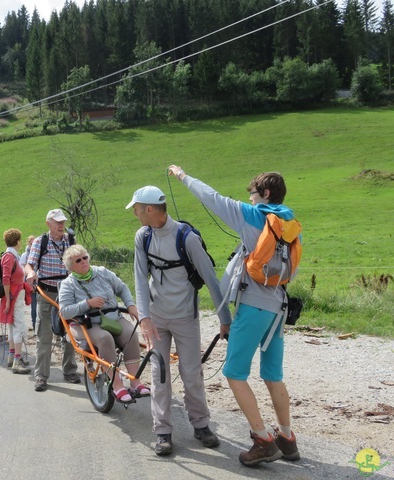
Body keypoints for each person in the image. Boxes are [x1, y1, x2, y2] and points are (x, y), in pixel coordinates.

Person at [168, 164, 301, 466]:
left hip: (253, 306)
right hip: (278, 307)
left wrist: (183, 175)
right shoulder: (291, 224)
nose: (251, 198)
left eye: (253, 193)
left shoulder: (252, 215)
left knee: (234, 374)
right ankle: (287, 438)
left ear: (264, 193)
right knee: (273, 375)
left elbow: (211, 197)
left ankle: (263, 440)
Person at [127, 185, 231, 457]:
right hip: (156, 319)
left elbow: (210, 278)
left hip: (185, 317)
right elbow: (139, 278)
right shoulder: (143, 236)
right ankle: (162, 431)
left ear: (149, 209)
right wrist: (145, 318)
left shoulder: (187, 238)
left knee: (191, 372)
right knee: (159, 374)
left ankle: (201, 424)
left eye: (137, 208)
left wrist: (225, 319)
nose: (135, 213)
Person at [59, 245, 151, 401]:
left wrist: (130, 305)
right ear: (71, 267)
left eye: (85, 257)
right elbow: (64, 312)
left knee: (131, 335)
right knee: (105, 338)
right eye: (78, 260)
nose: (83, 261)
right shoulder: (69, 284)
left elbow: (122, 288)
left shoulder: (102, 272)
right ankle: (117, 386)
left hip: (112, 318)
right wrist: (87, 303)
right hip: (86, 323)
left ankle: (135, 382)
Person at [24, 209, 79, 392]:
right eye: (57, 222)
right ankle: (41, 375)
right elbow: (29, 264)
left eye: (63, 221)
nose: (61, 225)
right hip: (47, 293)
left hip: (68, 293)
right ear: (49, 223)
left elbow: (78, 262)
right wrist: (31, 273)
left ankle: (70, 370)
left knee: (70, 335)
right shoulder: (41, 241)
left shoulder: (71, 241)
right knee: (44, 335)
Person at [0, 229, 31, 374]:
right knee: (19, 326)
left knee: (13, 325)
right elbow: (6, 278)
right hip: (14, 295)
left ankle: (12, 356)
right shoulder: (10, 256)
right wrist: (8, 300)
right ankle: (17, 359)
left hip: (14, 294)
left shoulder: (11, 255)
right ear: (17, 241)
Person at [19, 235, 37, 331]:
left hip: (40, 282)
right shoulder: (25, 255)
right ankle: (35, 325)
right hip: (30, 283)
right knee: (34, 306)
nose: (32, 245)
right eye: (31, 243)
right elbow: (22, 270)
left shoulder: (39, 253)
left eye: (34, 243)